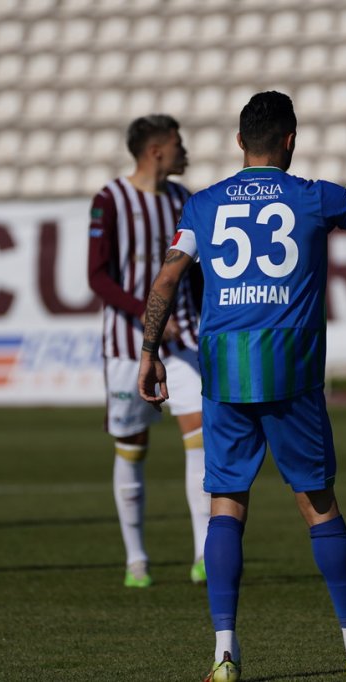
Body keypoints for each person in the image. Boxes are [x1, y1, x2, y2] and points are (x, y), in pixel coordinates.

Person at [138, 91, 346, 679]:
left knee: (226, 503)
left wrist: (149, 352)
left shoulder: (203, 206)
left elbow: (168, 277)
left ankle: (224, 653)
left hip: (223, 369)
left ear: (240, 142)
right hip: (290, 368)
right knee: (318, 504)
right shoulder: (318, 197)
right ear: (290, 139)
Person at [88, 114, 211, 588]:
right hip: (126, 347)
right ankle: (136, 559)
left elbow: (196, 276)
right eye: (179, 144)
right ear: (156, 151)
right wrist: (147, 312)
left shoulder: (185, 201)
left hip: (183, 343)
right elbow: (98, 276)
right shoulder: (111, 200)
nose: (186, 152)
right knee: (132, 448)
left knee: (201, 437)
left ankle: (203, 554)